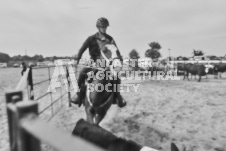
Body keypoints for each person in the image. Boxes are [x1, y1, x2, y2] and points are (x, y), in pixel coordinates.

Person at [72, 17, 126, 108]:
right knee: (81, 73)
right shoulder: (91, 38)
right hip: (93, 62)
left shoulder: (110, 39)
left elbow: (116, 51)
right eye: (102, 27)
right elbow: (82, 49)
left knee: (117, 77)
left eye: (105, 27)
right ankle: (78, 95)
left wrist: (119, 59)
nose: (104, 28)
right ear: (98, 27)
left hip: (107, 63)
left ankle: (118, 96)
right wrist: (77, 59)